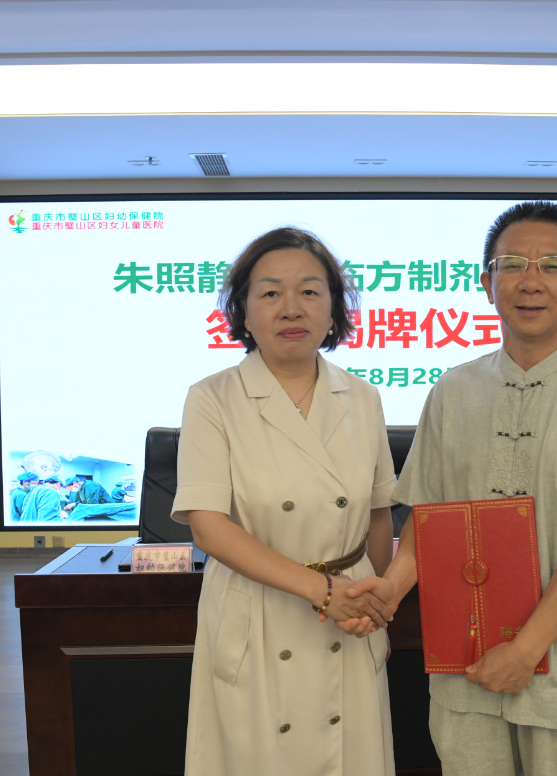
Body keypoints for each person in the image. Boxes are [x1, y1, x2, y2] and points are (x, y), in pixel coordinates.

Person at [346, 201, 557, 776]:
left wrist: (526, 650)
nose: (530, 281)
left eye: (552, 266)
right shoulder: (453, 390)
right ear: (487, 283)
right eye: (512, 264)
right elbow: (430, 523)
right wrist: (389, 590)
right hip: (466, 664)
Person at [170, 227, 398, 776]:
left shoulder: (363, 396)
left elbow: (377, 514)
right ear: (243, 312)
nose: (291, 308)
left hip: (348, 614)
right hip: (259, 609)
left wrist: (375, 603)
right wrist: (323, 592)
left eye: (310, 292)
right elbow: (208, 527)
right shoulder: (212, 398)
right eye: (270, 292)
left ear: (333, 310)